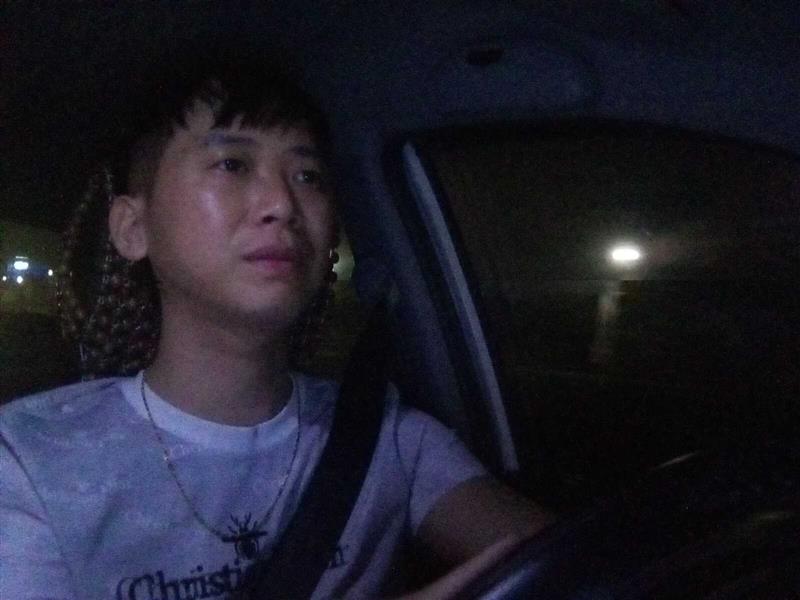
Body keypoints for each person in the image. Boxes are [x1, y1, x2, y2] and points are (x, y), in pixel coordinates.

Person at [0, 47, 550, 599]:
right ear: (133, 229)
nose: (283, 204)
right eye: (233, 165)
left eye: (308, 176)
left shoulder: (386, 437)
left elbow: (566, 561)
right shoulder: (29, 461)